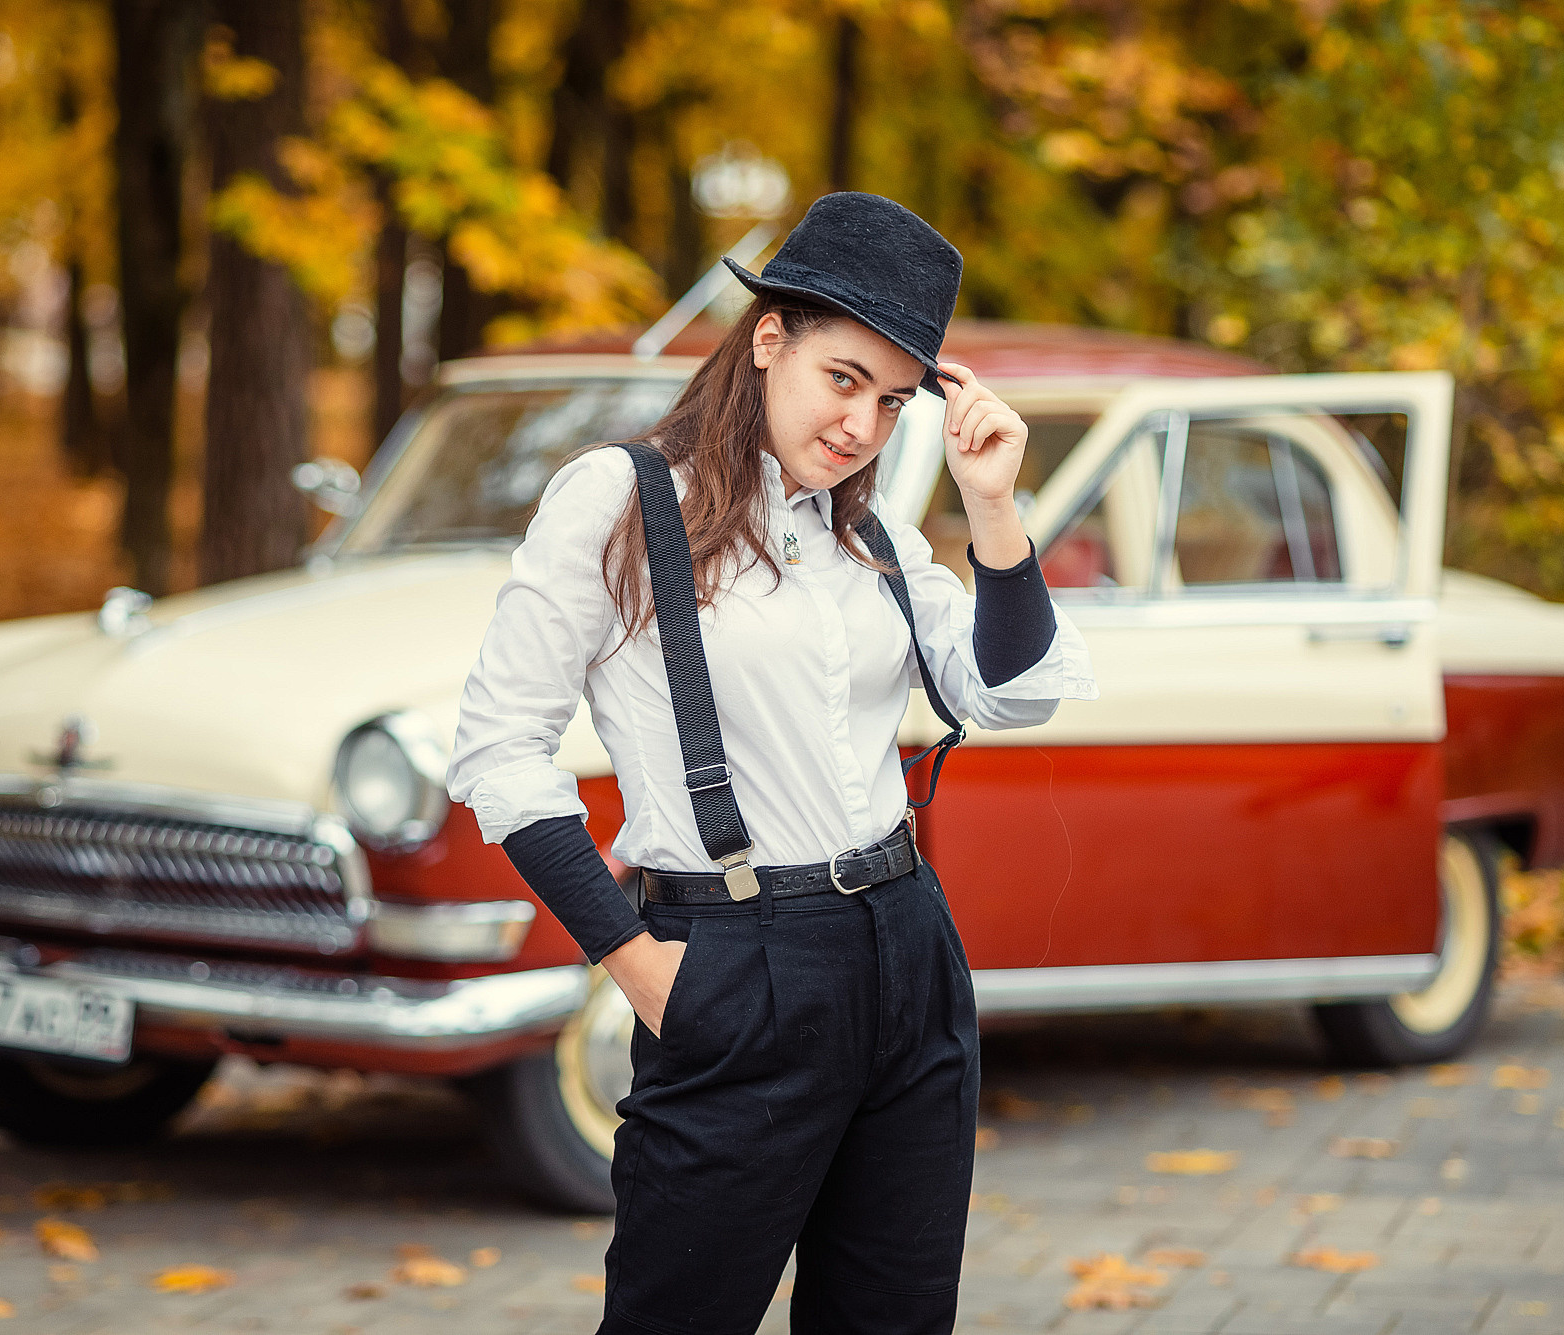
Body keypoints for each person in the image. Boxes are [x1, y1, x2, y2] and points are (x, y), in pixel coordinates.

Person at [447, 191, 1098, 1335]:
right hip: (731, 967)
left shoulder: (872, 535)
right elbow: (500, 751)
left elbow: (1012, 689)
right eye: (841, 378)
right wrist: (639, 968)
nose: (859, 426)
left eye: (892, 402)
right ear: (767, 339)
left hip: (907, 957)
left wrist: (991, 507)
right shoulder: (621, 499)